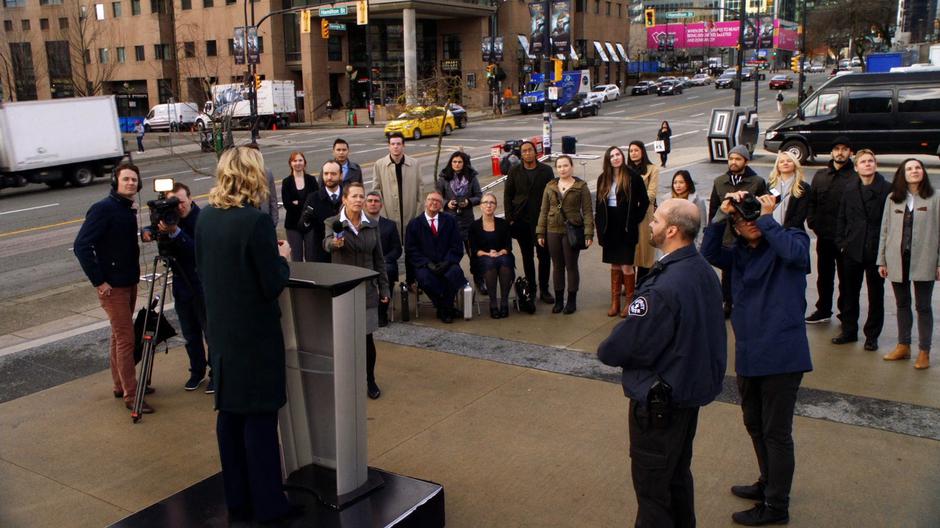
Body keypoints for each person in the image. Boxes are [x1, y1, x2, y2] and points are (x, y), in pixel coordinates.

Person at [598, 199, 726, 528]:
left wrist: (610, 346)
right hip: (687, 396)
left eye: (655, 221)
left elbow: (621, 345)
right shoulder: (703, 271)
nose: (650, 226)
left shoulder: (666, 286)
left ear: (671, 230)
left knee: (654, 492)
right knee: (677, 477)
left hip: (661, 406)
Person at [195, 146, 296, 525]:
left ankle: (238, 501)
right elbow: (271, 285)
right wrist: (283, 260)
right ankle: (271, 507)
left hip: (222, 336)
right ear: (252, 176)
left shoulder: (205, 219)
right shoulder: (254, 223)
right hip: (255, 338)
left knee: (230, 419)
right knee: (259, 425)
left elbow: (204, 271)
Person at [702, 191, 812, 527]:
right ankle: (768, 482)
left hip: (782, 356)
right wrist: (722, 215)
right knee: (754, 424)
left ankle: (776, 506)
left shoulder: (791, 238)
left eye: (753, 218)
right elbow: (708, 252)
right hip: (750, 354)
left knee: (776, 432)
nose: (748, 223)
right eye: (742, 219)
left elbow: (796, 255)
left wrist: (766, 216)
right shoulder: (738, 255)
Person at [74, 162, 150, 412]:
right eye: (126, 179)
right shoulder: (103, 209)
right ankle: (132, 394)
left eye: (134, 180)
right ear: (115, 182)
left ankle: (120, 384)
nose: (131, 183)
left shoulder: (126, 209)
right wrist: (99, 281)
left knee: (118, 336)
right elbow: (81, 246)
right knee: (127, 339)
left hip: (128, 282)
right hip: (113, 288)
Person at [142, 182, 212, 393]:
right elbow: (152, 230)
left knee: (211, 333)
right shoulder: (169, 219)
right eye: (174, 203)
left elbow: (199, 251)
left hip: (202, 284)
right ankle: (196, 372)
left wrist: (177, 232)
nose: (178, 207)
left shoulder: (202, 219)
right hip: (181, 285)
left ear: (190, 198)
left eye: (181, 202)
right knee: (190, 334)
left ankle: (217, 374)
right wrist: (149, 231)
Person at [324, 182, 390, 399]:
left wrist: (384, 288)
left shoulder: (371, 224)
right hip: (343, 290)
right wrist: (334, 243)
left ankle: (369, 379)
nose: (359, 200)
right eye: (354, 196)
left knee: (366, 340)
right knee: (343, 340)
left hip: (367, 290)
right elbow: (325, 244)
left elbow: (379, 259)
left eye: (361, 196)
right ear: (344, 199)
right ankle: (344, 381)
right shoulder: (333, 223)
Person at [877, 158, 940, 370]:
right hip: (897, 259)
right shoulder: (892, 198)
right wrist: (882, 260)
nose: (914, 171)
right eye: (909, 168)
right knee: (901, 304)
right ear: (902, 174)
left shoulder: (935, 198)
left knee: (923, 306)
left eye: (917, 168)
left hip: (925, 258)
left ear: (923, 172)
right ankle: (903, 346)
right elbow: (885, 231)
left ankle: (924, 352)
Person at [834, 149, 892, 350]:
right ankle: (849, 331)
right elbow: (841, 217)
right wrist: (842, 243)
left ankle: (872, 336)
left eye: (871, 161)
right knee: (849, 292)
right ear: (856, 167)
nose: (868, 164)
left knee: (876, 294)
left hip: (876, 249)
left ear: (875, 165)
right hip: (852, 249)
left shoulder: (887, 190)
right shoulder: (850, 189)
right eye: (863, 162)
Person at [708, 144, 769, 317]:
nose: (733, 162)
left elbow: (763, 207)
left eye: (738, 159)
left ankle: (750, 302)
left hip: (747, 235)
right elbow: (714, 209)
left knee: (749, 270)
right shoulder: (720, 182)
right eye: (731, 159)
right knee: (727, 273)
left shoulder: (757, 181)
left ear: (746, 161)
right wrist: (713, 229)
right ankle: (728, 302)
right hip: (726, 235)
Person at [805, 136, 856, 324]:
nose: (840, 152)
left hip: (846, 239)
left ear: (850, 152)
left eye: (844, 149)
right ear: (832, 152)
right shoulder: (820, 176)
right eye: (837, 149)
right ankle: (823, 309)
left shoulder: (855, 177)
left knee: (846, 279)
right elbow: (812, 201)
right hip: (824, 235)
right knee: (824, 277)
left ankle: (845, 313)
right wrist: (812, 222)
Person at [595, 145, 649, 318]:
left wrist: (635, 219)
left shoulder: (633, 177)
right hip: (609, 225)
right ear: (608, 159)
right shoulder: (603, 178)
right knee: (615, 265)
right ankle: (615, 302)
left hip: (625, 225)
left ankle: (629, 302)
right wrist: (600, 227)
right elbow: (598, 205)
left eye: (618, 154)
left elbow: (645, 202)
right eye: (612, 156)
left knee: (627, 266)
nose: (616, 158)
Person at [536, 155, 594, 314]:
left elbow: (588, 212)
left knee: (571, 266)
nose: (562, 169)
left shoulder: (581, 186)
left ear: (572, 167)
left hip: (572, 230)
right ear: (557, 168)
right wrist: (540, 231)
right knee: (557, 266)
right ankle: (559, 300)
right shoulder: (550, 186)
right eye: (559, 166)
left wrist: (589, 233)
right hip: (552, 230)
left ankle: (572, 300)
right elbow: (543, 210)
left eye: (565, 166)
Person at [504, 141, 555, 305]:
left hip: (541, 220)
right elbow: (508, 195)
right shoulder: (514, 171)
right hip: (521, 220)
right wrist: (509, 217)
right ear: (521, 154)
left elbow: (552, 194)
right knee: (527, 257)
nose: (527, 153)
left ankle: (544, 290)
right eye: (524, 151)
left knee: (544, 256)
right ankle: (531, 289)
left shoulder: (546, 170)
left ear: (535, 152)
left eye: (530, 150)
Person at [405, 192, 467, 324]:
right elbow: (411, 250)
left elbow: (457, 245)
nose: (434, 203)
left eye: (438, 201)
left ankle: (443, 309)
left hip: (447, 262)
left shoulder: (450, 221)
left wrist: (447, 262)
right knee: (425, 278)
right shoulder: (414, 224)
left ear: (441, 205)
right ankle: (446, 308)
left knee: (454, 274)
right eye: (431, 200)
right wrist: (427, 263)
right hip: (425, 265)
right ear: (425, 203)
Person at [436, 151, 483, 290]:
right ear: (451, 163)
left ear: (464, 163)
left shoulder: (471, 177)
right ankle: (451, 280)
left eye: (460, 162)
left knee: (473, 254)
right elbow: (437, 197)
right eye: (454, 162)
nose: (457, 164)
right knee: (450, 255)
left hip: (467, 222)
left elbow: (479, 196)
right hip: (449, 222)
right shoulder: (444, 178)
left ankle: (479, 281)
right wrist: (446, 204)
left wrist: (469, 202)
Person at [373, 132, 425, 244]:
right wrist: (382, 215)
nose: (395, 146)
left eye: (398, 144)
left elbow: (420, 191)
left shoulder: (415, 164)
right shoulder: (379, 164)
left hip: (410, 214)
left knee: (411, 247)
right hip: (388, 215)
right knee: (392, 248)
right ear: (389, 146)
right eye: (392, 144)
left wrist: (418, 215)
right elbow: (376, 191)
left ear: (403, 145)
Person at [470, 192, 515, 318]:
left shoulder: (503, 223)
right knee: (490, 264)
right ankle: (493, 303)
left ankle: (504, 302)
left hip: (502, 255)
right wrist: (488, 254)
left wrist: (500, 252)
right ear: (480, 206)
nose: (488, 205)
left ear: (495, 206)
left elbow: (508, 246)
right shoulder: (474, 226)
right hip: (482, 257)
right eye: (485, 202)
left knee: (505, 263)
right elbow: (474, 249)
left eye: (492, 203)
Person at [365, 191, 402, 327]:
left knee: (387, 272)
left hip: (385, 263)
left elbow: (397, 249)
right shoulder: (359, 223)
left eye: (376, 201)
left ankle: (382, 313)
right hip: (364, 263)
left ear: (381, 205)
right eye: (370, 201)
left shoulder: (390, 225)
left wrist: (384, 260)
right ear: (365, 204)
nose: (373, 203)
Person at [298, 160, 344, 263]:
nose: (329, 177)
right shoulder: (313, 198)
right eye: (326, 173)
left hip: (344, 253)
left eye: (333, 174)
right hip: (321, 253)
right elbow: (302, 226)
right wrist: (306, 219)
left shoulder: (348, 195)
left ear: (341, 175)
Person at [280, 151, 318, 261]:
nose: (298, 163)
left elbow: (315, 201)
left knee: (311, 257)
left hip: (310, 223)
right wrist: (306, 203)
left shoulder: (311, 180)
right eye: (295, 160)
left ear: (305, 163)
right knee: (296, 257)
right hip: (293, 225)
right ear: (290, 163)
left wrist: (298, 202)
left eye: (300, 160)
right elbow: (287, 205)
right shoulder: (286, 182)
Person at [767, 151, 810, 230]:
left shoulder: (803, 187)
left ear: (795, 164)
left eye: (789, 161)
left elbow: (800, 215)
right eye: (781, 162)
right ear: (777, 166)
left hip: (792, 232)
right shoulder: (770, 186)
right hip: (771, 231)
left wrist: (783, 230)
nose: (785, 163)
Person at [670, 170, 707, 247]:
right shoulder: (667, 200)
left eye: (681, 182)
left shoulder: (697, 201)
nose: (678, 185)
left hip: (691, 243)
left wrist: (699, 245)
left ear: (688, 184)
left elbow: (702, 225)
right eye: (675, 182)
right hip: (671, 243)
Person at [246, 142, 279, 227]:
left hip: (264, 218)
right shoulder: (242, 174)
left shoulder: (267, 173)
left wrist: (274, 221)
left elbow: (273, 199)